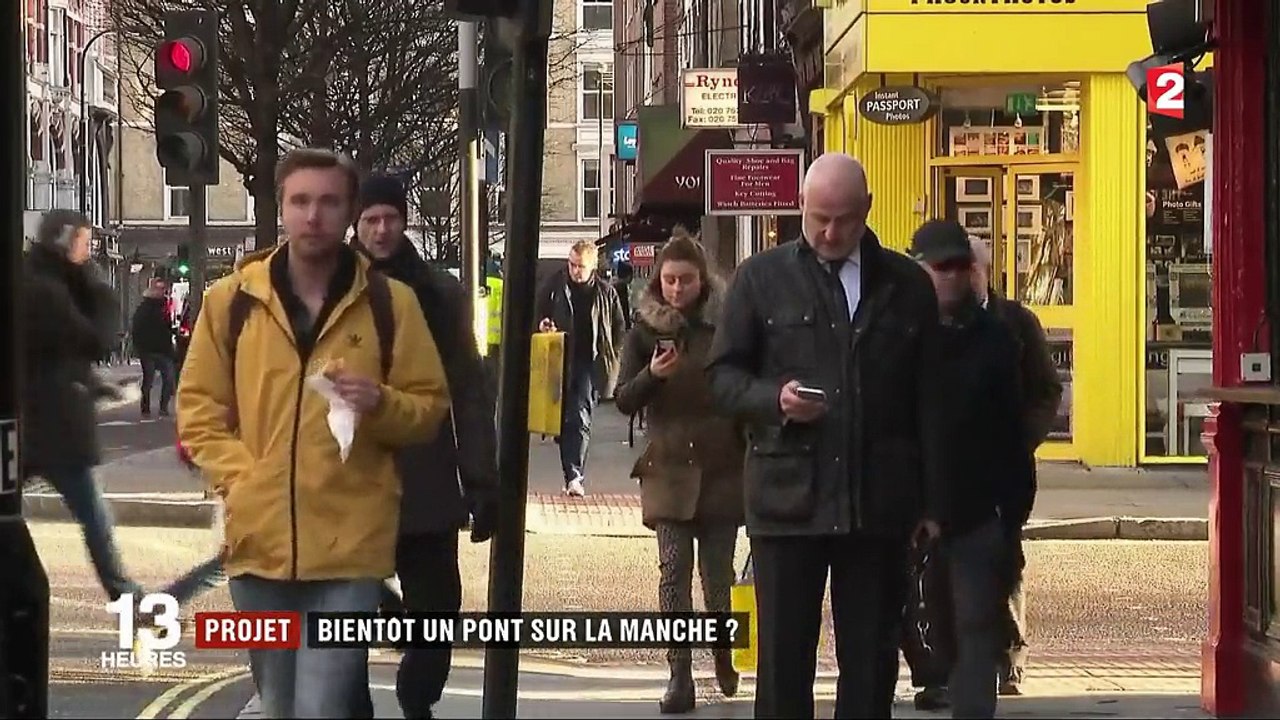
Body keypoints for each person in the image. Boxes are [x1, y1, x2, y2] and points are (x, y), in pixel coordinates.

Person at [176, 148, 452, 719]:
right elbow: (199, 408)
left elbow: (428, 407)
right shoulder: (231, 303)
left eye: (328, 202)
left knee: (323, 707)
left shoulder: (389, 304)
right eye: (300, 201)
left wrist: (380, 402)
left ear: (349, 210)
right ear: (281, 208)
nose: (313, 216)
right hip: (258, 547)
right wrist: (243, 477)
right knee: (279, 705)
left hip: (349, 548)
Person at [705, 153, 949, 719]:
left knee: (870, 667)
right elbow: (721, 379)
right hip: (788, 500)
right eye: (818, 218)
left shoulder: (907, 286)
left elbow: (930, 400)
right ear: (801, 209)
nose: (830, 233)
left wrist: (934, 502)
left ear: (867, 210)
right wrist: (775, 400)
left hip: (877, 504)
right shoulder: (761, 279)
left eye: (843, 219)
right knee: (783, 667)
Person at [351, 173, 500, 719]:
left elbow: (470, 390)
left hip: (426, 476)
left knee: (438, 609)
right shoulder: (334, 288)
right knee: (346, 608)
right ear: (357, 223)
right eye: (371, 219)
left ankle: (417, 695)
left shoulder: (439, 293)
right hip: (351, 477)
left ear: (405, 219)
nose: (382, 229)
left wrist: (482, 480)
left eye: (390, 217)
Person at [907, 220, 1034, 719]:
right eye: (942, 268)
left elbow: (1011, 430)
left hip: (979, 512)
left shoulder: (999, 337)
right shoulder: (901, 334)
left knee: (976, 630)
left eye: (961, 267)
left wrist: (1010, 513)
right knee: (918, 631)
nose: (953, 278)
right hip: (910, 511)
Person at [613, 230, 743, 714]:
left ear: (702, 282)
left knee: (717, 579)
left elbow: (741, 386)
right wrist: (653, 376)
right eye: (668, 281)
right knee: (673, 574)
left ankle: (724, 657)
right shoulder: (644, 331)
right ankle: (679, 675)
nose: (676, 290)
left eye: (685, 281)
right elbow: (624, 398)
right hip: (667, 465)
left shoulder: (725, 328)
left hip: (721, 465)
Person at [22, 209, 141, 602]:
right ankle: (124, 594)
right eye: (85, 243)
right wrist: (97, 284)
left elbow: (56, 352)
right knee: (94, 516)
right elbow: (97, 339)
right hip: (54, 423)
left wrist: (95, 385)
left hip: (37, 416)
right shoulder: (47, 289)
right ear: (64, 241)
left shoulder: (41, 279)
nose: (90, 252)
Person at [970, 237, 1062, 696]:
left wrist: (1022, 440)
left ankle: (1011, 656)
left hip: (1006, 471)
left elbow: (1047, 390)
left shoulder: (1017, 323)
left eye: (971, 269)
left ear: (988, 272)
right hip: (950, 468)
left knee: (1003, 558)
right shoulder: (930, 322)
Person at [535, 239, 627, 497]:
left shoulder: (606, 292)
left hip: (589, 362)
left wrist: (612, 356)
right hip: (558, 359)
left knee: (580, 416)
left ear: (593, 267)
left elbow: (620, 327)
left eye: (581, 266)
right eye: (572, 264)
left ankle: (574, 475)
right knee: (564, 419)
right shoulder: (554, 285)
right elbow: (538, 313)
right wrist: (543, 324)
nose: (575, 271)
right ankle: (571, 472)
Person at [131, 277, 177, 418]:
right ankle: (146, 407)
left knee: (168, 379)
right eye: (159, 289)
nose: (162, 292)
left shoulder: (165, 307)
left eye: (163, 289)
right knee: (149, 380)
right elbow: (137, 328)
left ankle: (162, 407)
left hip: (162, 349)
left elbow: (166, 327)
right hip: (150, 350)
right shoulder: (146, 308)